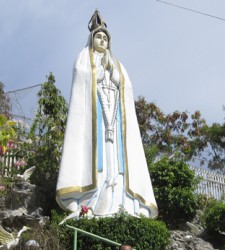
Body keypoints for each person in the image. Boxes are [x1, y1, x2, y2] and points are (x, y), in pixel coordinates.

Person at [56, 10, 158, 220]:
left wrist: (116, 76)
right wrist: (98, 74)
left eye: (105, 38)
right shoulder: (84, 57)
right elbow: (81, 78)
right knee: (96, 161)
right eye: (98, 37)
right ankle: (90, 202)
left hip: (116, 117)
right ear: (91, 39)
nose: (102, 40)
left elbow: (126, 87)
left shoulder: (117, 64)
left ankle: (123, 203)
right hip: (96, 122)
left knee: (119, 164)